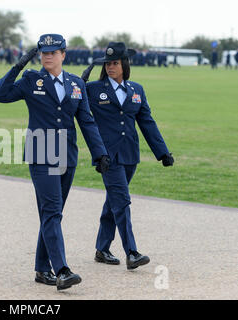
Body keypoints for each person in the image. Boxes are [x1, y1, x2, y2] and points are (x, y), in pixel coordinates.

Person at [0, 34, 110, 290]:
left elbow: (87, 121)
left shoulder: (76, 83)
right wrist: (18, 65)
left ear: (63, 54)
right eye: (43, 52)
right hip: (41, 151)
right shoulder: (31, 79)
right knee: (53, 211)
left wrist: (99, 153)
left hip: (67, 154)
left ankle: (42, 268)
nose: (47, 56)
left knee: (51, 214)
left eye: (53, 52)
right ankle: (62, 270)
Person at [81, 42, 174, 270]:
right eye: (108, 63)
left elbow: (147, 123)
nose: (111, 67)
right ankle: (131, 252)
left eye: (115, 63)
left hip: (130, 154)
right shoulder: (93, 88)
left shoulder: (137, 90)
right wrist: (79, 83)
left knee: (114, 200)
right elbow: (76, 107)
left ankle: (102, 248)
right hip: (107, 157)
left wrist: (162, 152)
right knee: (122, 201)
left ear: (124, 64)